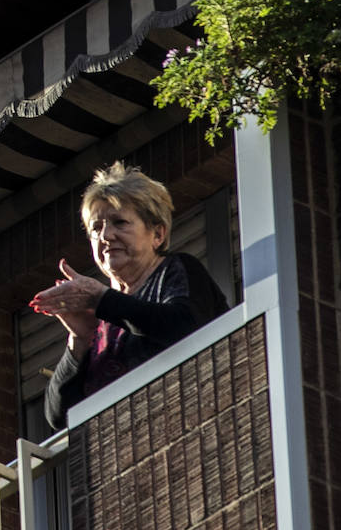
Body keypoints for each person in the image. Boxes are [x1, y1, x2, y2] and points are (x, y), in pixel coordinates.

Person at [31, 161, 228, 429]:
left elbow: (184, 327)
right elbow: (59, 417)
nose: (106, 235)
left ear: (158, 234)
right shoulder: (101, 317)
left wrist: (102, 300)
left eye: (120, 222)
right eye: (96, 228)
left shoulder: (176, 270)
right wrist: (79, 340)